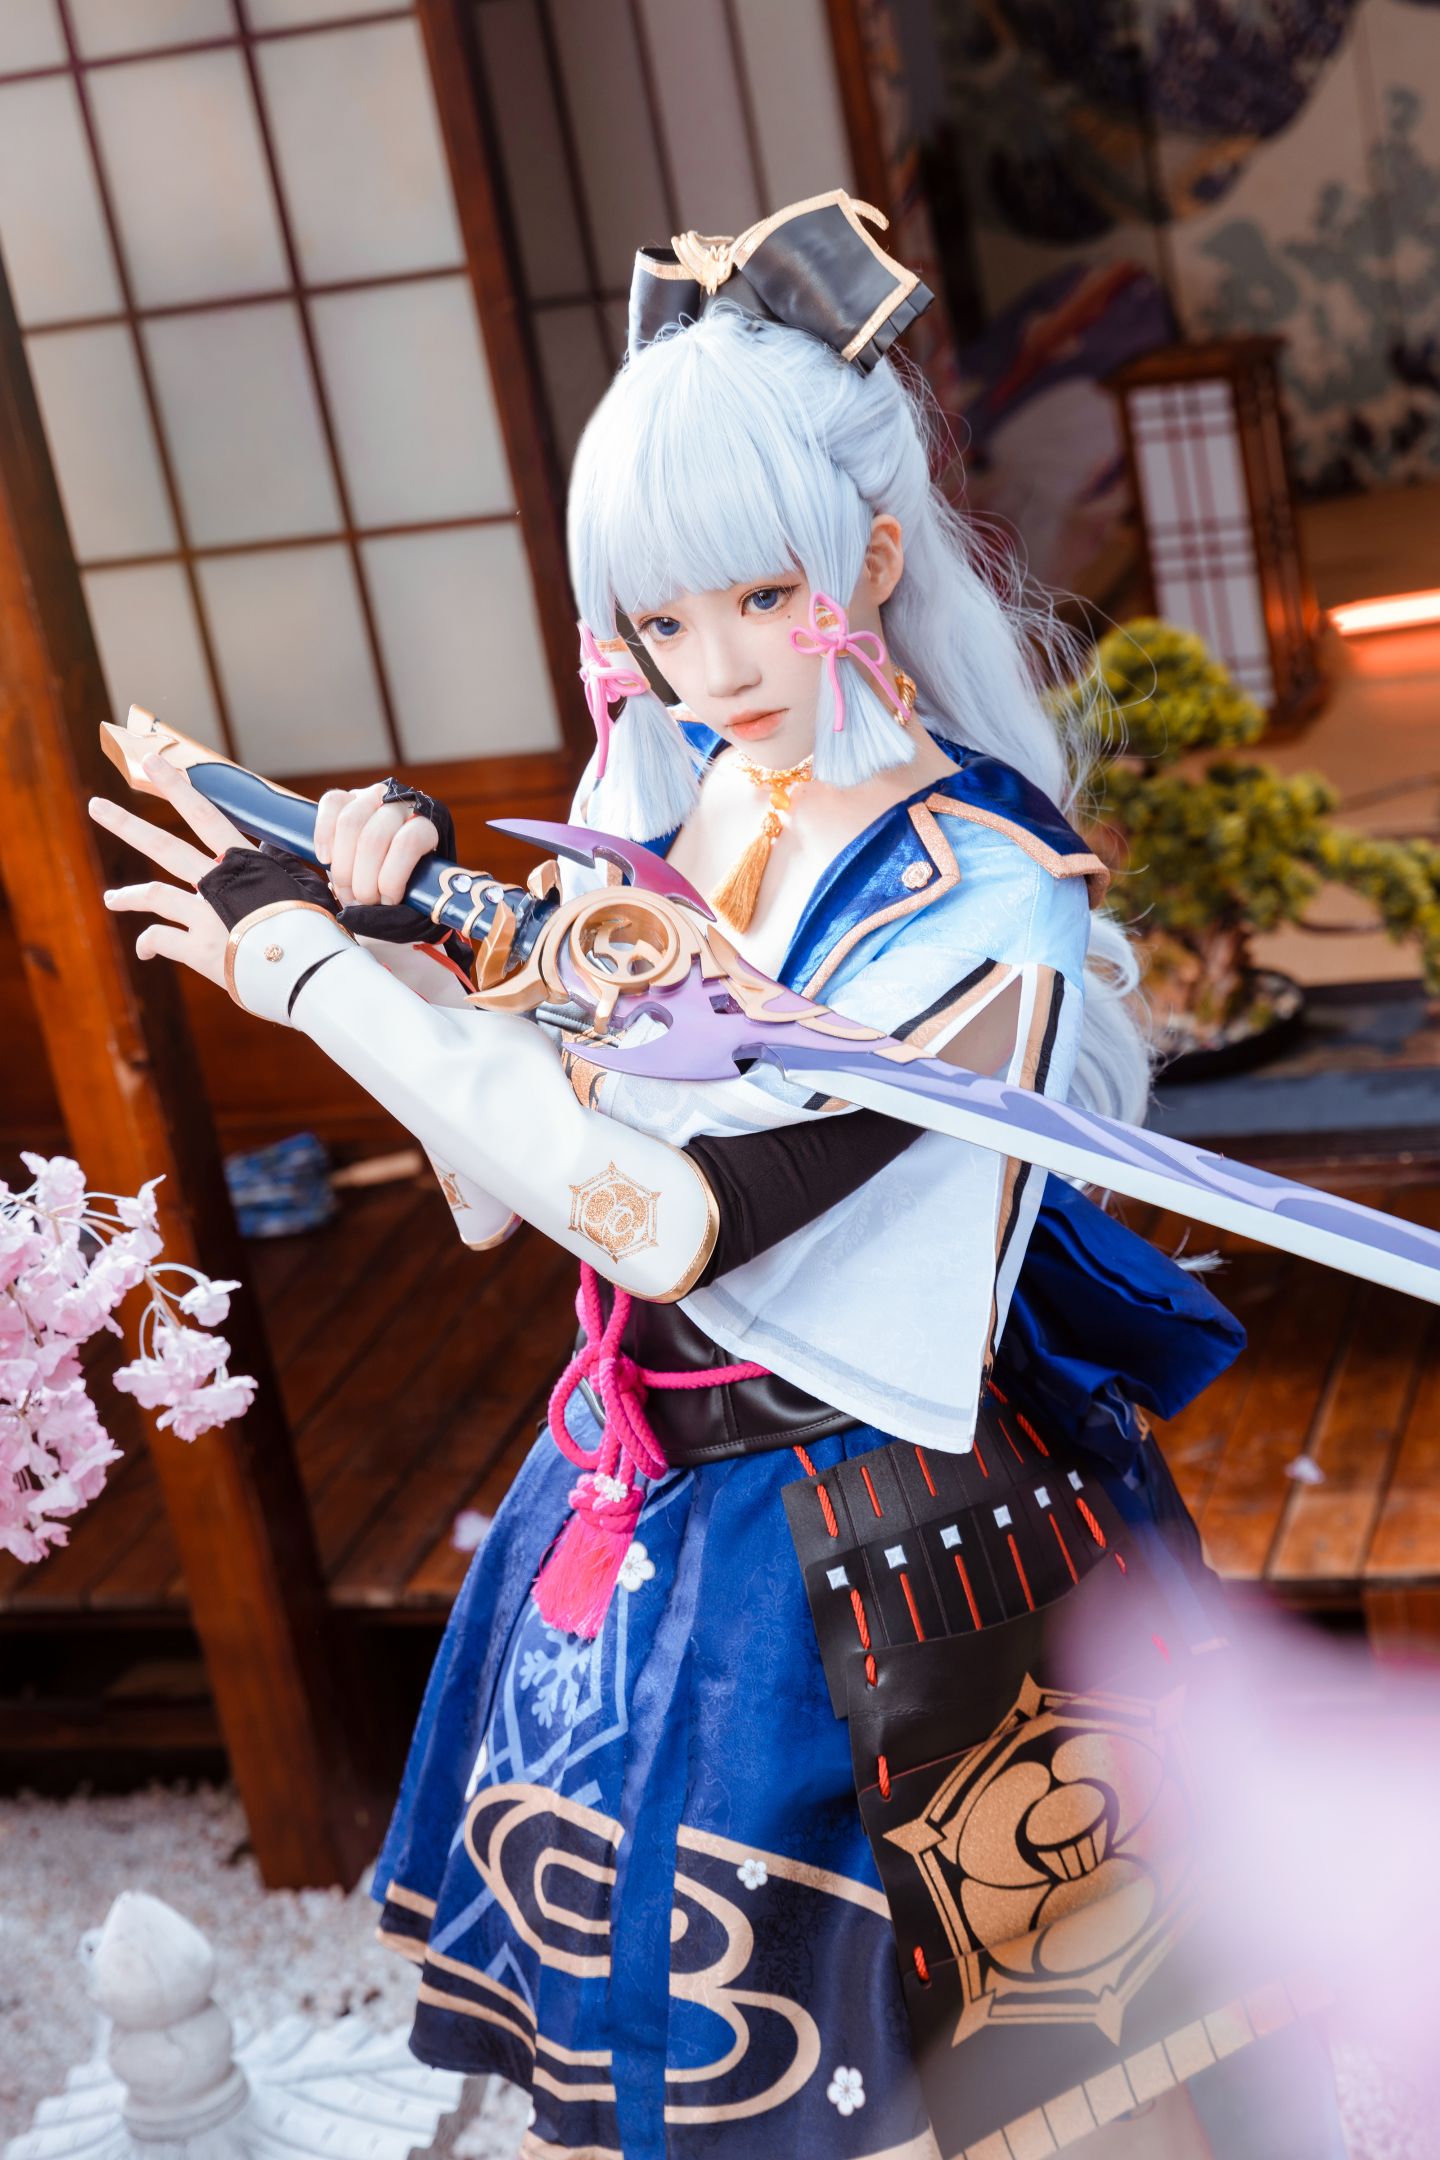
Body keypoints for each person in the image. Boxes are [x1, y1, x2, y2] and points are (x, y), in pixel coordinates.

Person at [91, 194, 1343, 2160]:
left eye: (758, 597)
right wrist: (404, 957)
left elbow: (670, 1216)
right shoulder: (663, 796)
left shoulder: (984, 894)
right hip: (645, 1492)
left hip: (914, 1528)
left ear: (868, 554)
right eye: (662, 622)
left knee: (1073, 2086)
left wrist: (321, 983)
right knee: (676, 2070)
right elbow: (506, 1186)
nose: (715, 665)